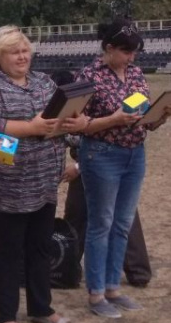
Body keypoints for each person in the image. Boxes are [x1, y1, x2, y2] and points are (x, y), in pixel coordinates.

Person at [0, 25, 88, 323]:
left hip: (44, 178)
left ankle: (41, 308)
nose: (22, 57)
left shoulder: (44, 81)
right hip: (7, 180)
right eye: (14, 51)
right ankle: (5, 315)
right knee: (8, 250)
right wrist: (32, 126)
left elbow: (59, 115)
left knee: (40, 246)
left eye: (25, 51)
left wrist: (72, 122)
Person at [75, 18, 171, 318]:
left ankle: (112, 288)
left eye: (134, 52)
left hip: (135, 153)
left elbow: (143, 117)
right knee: (101, 224)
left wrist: (161, 115)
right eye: (126, 52)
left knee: (122, 223)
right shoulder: (88, 76)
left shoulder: (135, 73)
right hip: (101, 154)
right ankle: (95, 294)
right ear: (109, 48)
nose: (131, 58)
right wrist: (115, 120)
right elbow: (77, 124)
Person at [51, 70, 152, 287]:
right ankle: (66, 268)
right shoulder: (81, 96)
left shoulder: (90, 99)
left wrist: (78, 167)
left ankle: (138, 271)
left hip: (100, 162)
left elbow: (93, 133)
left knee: (120, 219)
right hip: (90, 163)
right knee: (79, 216)